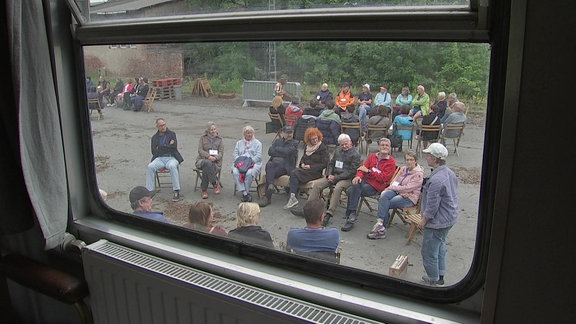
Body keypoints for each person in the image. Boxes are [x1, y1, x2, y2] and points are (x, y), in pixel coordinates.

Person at [418, 143, 458, 286]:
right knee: (440, 245)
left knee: (429, 251)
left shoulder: (436, 180)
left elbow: (432, 205)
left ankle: (433, 279)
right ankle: (440, 274)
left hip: (438, 221)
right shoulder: (449, 172)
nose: (426, 157)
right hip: (449, 217)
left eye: (428, 155)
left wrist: (424, 220)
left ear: (435, 158)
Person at [341, 137, 396, 232]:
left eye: (387, 145)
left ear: (390, 148)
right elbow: (362, 168)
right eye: (382, 145)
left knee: (352, 189)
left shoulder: (391, 162)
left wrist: (369, 171)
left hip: (376, 186)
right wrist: (358, 176)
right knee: (355, 184)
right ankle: (352, 214)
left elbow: (383, 178)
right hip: (365, 181)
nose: (384, 147)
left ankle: (351, 214)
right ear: (379, 146)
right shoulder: (372, 156)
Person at [306, 134, 361, 226]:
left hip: (347, 178)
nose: (344, 146)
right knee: (317, 184)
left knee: (338, 188)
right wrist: (329, 174)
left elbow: (351, 171)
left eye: (346, 144)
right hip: (334, 175)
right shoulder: (338, 151)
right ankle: (308, 208)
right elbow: (331, 164)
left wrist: (336, 178)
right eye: (342, 144)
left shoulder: (355, 154)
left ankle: (329, 213)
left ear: (350, 142)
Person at [368, 151, 423, 239]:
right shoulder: (404, 169)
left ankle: (380, 228)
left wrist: (395, 188)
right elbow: (395, 181)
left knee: (387, 202)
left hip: (410, 197)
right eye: (407, 159)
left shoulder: (418, 174)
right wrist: (395, 188)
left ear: (415, 161)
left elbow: (408, 188)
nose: (409, 162)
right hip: (399, 191)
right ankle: (380, 224)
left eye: (411, 160)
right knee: (384, 195)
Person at [283, 127, 329, 209]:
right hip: (305, 171)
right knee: (294, 173)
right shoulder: (307, 147)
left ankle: (292, 197)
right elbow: (302, 159)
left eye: (316, 138)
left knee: (294, 173)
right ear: (309, 140)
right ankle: (293, 197)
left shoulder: (322, 148)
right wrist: (302, 164)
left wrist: (310, 166)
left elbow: (324, 164)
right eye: (312, 139)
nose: (315, 141)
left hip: (315, 172)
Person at [259, 125, 299, 207]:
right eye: (287, 133)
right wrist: (281, 152)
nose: (289, 134)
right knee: (269, 164)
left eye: (290, 132)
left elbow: (287, 152)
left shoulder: (295, 143)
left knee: (270, 167)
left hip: (286, 167)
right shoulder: (278, 141)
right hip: (275, 166)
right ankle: (270, 187)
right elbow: (270, 151)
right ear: (283, 133)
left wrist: (277, 149)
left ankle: (267, 196)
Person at [145, 118, 184, 202]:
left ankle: (176, 191)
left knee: (172, 166)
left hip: (172, 157)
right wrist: (167, 145)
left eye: (164, 125)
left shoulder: (172, 134)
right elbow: (153, 151)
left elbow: (173, 147)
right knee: (150, 166)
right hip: (160, 158)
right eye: (161, 126)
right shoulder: (154, 138)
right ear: (157, 127)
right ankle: (149, 191)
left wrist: (161, 147)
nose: (163, 127)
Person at [232, 125, 263, 202]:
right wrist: (239, 161)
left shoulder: (258, 143)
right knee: (235, 171)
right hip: (240, 162)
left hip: (253, 163)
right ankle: (245, 193)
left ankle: (245, 192)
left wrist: (249, 162)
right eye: (247, 133)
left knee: (249, 173)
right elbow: (235, 154)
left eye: (251, 133)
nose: (249, 135)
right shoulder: (239, 143)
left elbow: (258, 156)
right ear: (244, 134)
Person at [195, 122, 224, 199]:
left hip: (215, 162)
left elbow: (221, 152)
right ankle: (214, 184)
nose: (213, 131)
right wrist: (208, 156)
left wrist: (215, 158)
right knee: (207, 162)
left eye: (214, 129)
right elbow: (200, 150)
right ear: (208, 130)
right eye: (211, 130)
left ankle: (204, 190)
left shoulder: (219, 140)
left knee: (206, 167)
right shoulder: (202, 138)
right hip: (202, 160)